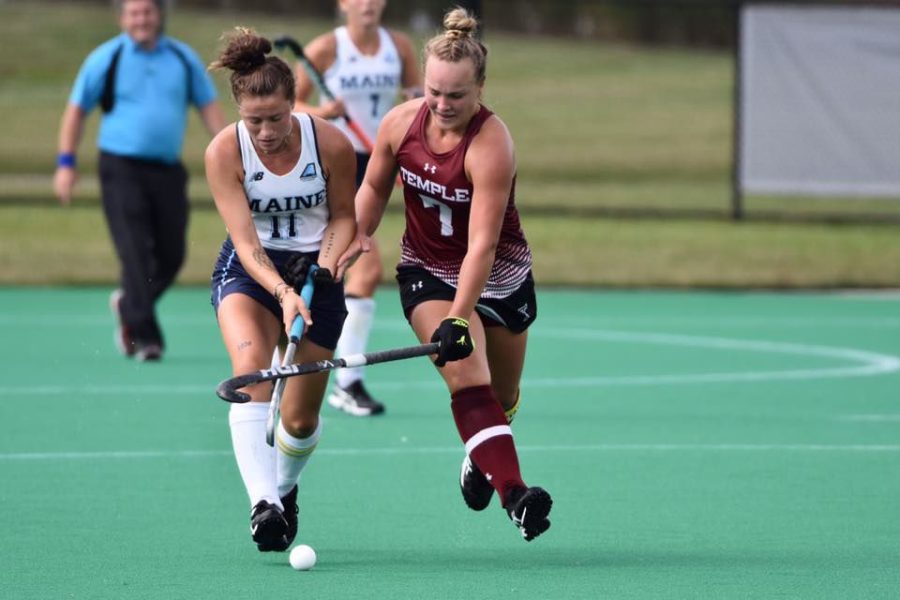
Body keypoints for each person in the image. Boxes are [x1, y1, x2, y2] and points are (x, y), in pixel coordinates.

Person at [337, 7, 552, 541]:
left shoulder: (491, 145)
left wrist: (462, 316)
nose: (442, 104)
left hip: (499, 275)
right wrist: (357, 235)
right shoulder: (399, 123)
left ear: (480, 87)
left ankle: (479, 455)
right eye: (433, 91)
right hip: (426, 271)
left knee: (502, 398)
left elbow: (482, 243)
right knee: (467, 378)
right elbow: (372, 189)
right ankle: (517, 497)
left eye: (456, 95)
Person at [206, 27, 356, 552]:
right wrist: (282, 291)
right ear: (239, 112)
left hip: (318, 271)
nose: (266, 131)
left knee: (300, 417)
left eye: (276, 117)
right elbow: (245, 243)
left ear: (294, 104)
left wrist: (327, 266)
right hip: (252, 273)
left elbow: (344, 219)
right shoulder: (225, 152)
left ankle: (284, 489)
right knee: (252, 373)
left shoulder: (330, 142)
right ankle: (263, 505)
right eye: (254, 120)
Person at [53, 0, 227, 361]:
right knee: (134, 251)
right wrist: (66, 163)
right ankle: (146, 337)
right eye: (134, 13)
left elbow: (209, 109)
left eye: (147, 12)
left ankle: (129, 304)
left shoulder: (182, 59)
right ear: (122, 18)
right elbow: (76, 111)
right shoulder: (107, 58)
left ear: (160, 15)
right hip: (121, 168)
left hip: (166, 170)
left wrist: (234, 155)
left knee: (172, 254)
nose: (142, 19)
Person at [292, 0, 422, 416]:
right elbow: (287, 106)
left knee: (341, 267)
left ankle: (307, 360)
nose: (367, 4)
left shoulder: (398, 47)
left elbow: (419, 107)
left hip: (375, 161)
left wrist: (410, 156)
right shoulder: (326, 48)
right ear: (343, 4)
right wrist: (323, 112)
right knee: (363, 266)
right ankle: (345, 381)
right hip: (333, 162)